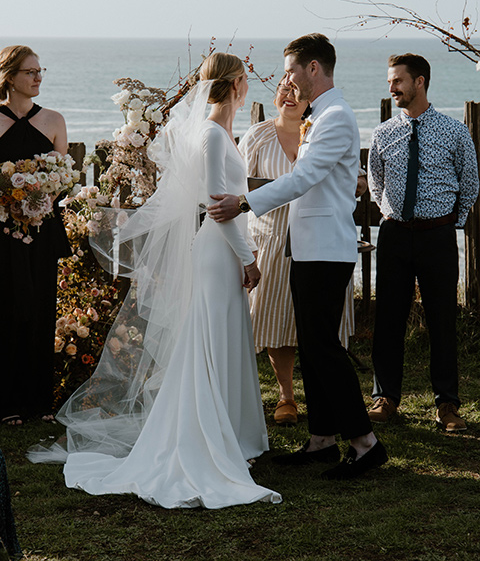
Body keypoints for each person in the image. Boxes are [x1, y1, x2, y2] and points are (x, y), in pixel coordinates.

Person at [30, 52, 281, 509]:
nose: (249, 89)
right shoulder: (209, 134)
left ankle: (236, 436)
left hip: (228, 251)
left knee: (226, 338)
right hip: (217, 252)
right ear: (235, 84)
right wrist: (249, 259)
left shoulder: (223, 133)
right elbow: (215, 204)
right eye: (245, 81)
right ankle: (206, 437)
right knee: (208, 341)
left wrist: (247, 250)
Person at [208, 33, 387, 480]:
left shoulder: (336, 118)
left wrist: (245, 202)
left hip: (327, 250)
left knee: (325, 348)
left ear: (312, 69)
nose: (285, 78)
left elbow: (304, 176)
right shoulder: (319, 114)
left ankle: (365, 445)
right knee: (311, 346)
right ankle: (322, 439)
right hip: (306, 248)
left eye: (290, 70)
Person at [240, 80, 366, 425]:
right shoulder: (257, 136)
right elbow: (237, 183)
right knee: (276, 319)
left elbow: (347, 175)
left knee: (316, 329)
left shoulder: (323, 127)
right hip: (272, 239)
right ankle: (286, 395)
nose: (289, 95)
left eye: (295, 89)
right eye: (283, 88)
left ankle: (323, 409)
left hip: (317, 241)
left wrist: (358, 182)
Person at [367, 53, 479, 431]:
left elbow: (471, 182)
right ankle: (386, 398)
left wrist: (453, 223)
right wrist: (389, 215)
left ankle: (447, 405)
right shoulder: (382, 134)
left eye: (398, 81)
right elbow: (375, 182)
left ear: (420, 81)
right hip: (396, 236)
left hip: (438, 238)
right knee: (388, 320)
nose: (392, 88)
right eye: (389, 83)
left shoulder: (454, 132)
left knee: (443, 321)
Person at [0, 45, 71, 426]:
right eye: (30, 72)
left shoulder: (55, 121)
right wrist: (12, 202)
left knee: (42, 307)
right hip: (3, 231)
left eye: (41, 71)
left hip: (43, 229)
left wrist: (40, 200)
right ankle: (6, 402)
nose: (38, 77)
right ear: (10, 77)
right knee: (8, 309)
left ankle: (40, 401)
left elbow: (63, 179)